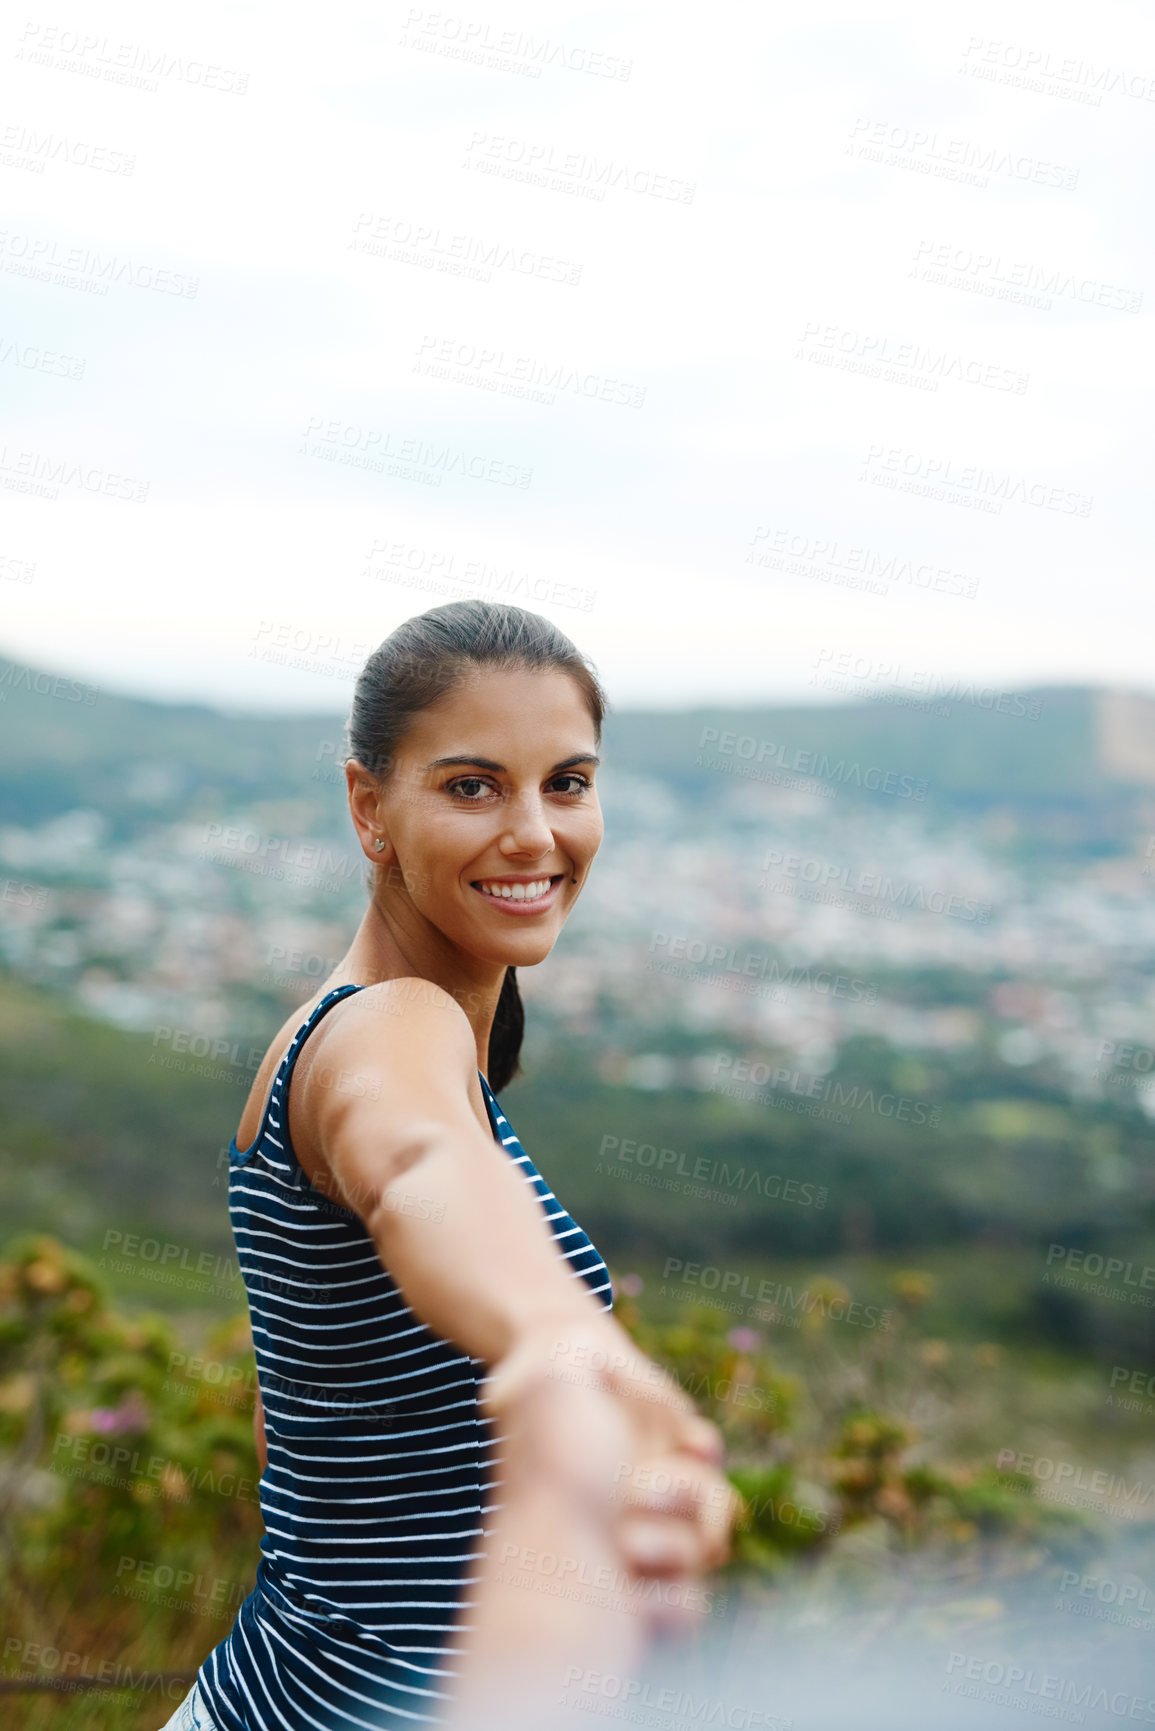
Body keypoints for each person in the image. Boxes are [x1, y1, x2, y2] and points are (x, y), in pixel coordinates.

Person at [160, 601, 737, 1730]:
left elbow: (315, 1441)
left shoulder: (438, 1046)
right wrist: (555, 1337)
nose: (533, 833)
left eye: (565, 782)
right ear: (368, 807)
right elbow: (420, 1166)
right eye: (473, 786)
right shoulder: (384, 1027)